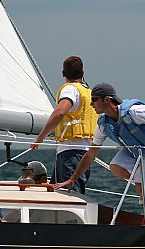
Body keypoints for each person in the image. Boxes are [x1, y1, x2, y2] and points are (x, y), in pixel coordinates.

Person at [53, 82, 145, 225]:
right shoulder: (103, 125)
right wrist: (72, 179)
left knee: (142, 185)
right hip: (135, 147)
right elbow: (91, 154)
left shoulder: (135, 111)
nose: (91, 104)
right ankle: (143, 187)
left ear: (107, 99)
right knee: (115, 167)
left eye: (94, 99)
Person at [30, 56, 98, 194]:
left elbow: (60, 113)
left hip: (71, 154)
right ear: (82, 73)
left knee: (70, 196)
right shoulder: (88, 93)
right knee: (57, 193)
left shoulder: (70, 90)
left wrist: (40, 138)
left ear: (63, 73)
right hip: (83, 153)